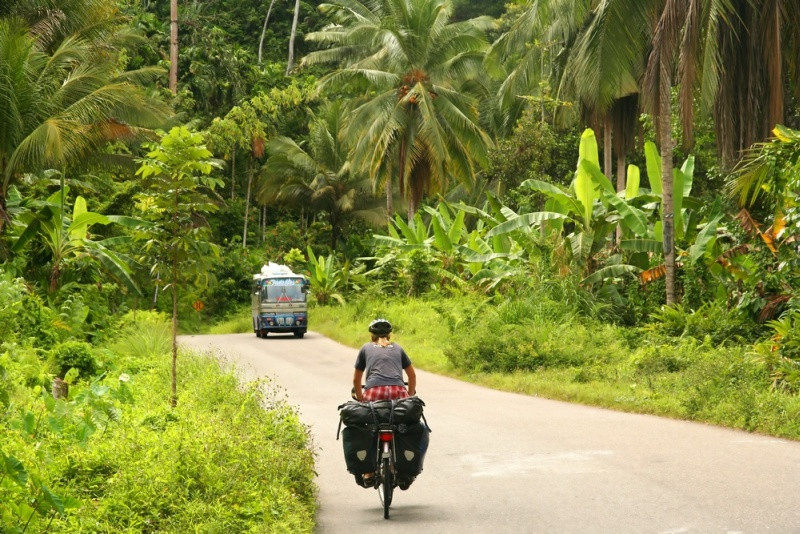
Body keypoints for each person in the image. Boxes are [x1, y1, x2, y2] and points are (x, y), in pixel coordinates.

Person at [353, 318, 416, 402]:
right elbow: (412, 376)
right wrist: (409, 396)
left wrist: (360, 398)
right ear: (389, 336)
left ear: (372, 336)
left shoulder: (366, 347)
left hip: (374, 390)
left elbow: (356, 379)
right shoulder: (398, 348)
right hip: (398, 390)